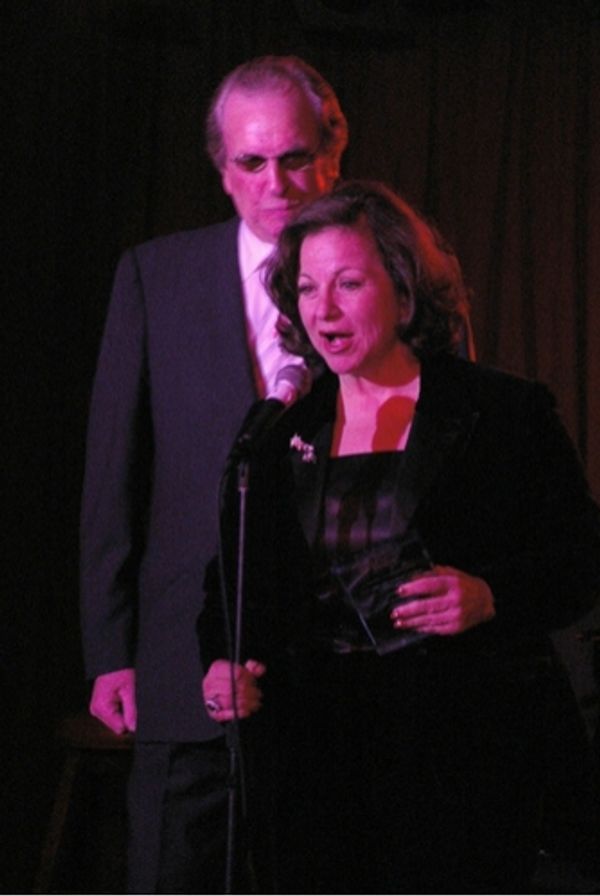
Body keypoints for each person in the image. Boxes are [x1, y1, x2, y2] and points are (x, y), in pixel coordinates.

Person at [200, 180, 600, 894]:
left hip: (463, 763)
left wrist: (490, 595)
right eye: (306, 287)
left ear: (404, 291)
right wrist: (226, 665)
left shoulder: (501, 415)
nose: (322, 310)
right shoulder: (278, 434)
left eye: (348, 283)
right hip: (318, 774)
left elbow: (581, 558)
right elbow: (231, 591)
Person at [79, 55, 348, 894]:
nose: (278, 183)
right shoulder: (155, 277)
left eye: (297, 157)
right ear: (222, 170)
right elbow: (112, 475)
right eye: (252, 162)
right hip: (174, 660)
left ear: (333, 152)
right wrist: (110, 649)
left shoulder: (387, 278)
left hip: (330, 668)